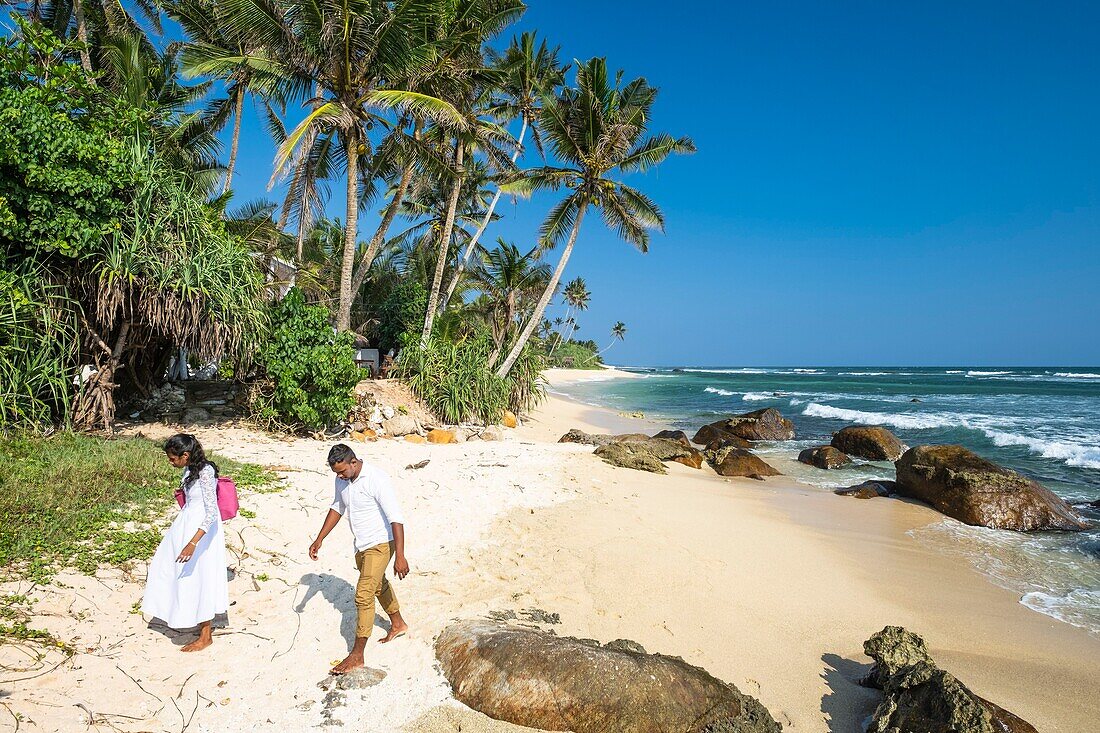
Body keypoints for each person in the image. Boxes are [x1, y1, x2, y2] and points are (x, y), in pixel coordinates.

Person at [310, 444, 409, 674]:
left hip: (382, 543)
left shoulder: (376, 479)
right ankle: (398, 623)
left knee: (363, 594)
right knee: (377, 584)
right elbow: (337, 507)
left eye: (343, 471)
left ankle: (357, 655)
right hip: (361, 544)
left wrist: (401, 556)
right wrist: (319, 539)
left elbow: (396, 518)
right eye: (336, 473)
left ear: (353, 462)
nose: (340, 476)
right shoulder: (342, 480)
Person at [141, 434, 229, 652]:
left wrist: (193, 543)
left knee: (201, 576)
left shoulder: (206, 472)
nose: (171, 462)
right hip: (186, 523)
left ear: (186, 455)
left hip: (202, 532)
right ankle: (185, 614)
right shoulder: (189, 469)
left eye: (173, 459)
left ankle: (206, 634)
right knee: (171, 570)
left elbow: (210, 512)